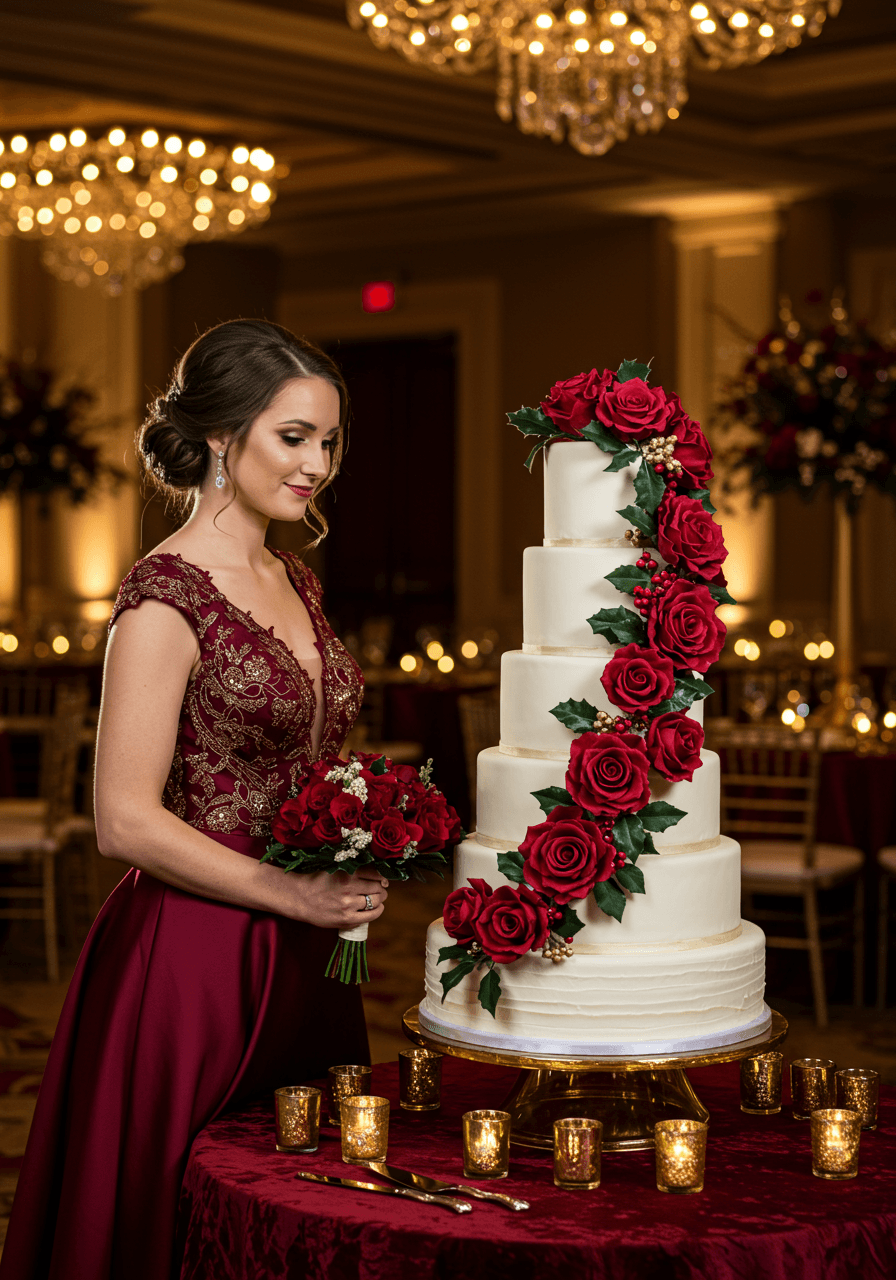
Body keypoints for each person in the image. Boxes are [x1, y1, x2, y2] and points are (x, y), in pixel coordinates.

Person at [0, 319, 387, 1280]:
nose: (316, 465)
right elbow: (122, 819)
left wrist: (357, 835)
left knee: (292, 1211)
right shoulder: (163, 595)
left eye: (328, 441)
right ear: (222, 437)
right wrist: (291, 891)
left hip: (308, 949)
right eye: (293, 437)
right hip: (193, 960)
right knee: (176, 1220)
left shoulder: (294, 578)